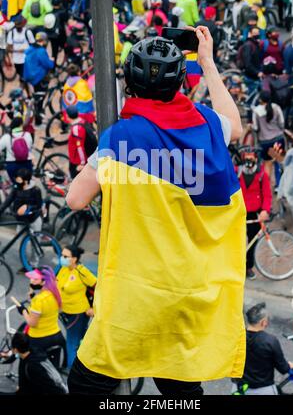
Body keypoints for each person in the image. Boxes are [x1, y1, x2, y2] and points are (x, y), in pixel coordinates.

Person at [66, 28, 246, 396]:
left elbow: (74, 200)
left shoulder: (120, 138)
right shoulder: (210, 128)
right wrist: (208, 64)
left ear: (129, 81)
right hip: (191, 296)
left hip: (137, 300)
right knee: (179, 385)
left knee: (85, 383)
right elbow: (236, 124)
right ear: (181, 80)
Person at [232, 303, 293, 395]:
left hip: (239, 389)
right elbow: (283, 368)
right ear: (263, 322)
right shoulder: (270, 341)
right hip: (264, 390)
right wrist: (289, 365)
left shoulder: (237, 338)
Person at [17, 266, 66, 368]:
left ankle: (22, 384)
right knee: (52, 369)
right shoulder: (56, 293)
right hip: (56, 335)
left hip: (39, 339)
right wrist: (33, 298)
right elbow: (46, 309)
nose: (31, 280)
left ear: (44, 281)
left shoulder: (39, 300)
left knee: (28, 364)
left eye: (35, 279)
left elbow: (32, 323)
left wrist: (23, 311)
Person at [57, 245, 97, 369]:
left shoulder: (81, 271)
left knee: (71, 344)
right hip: (64, 312)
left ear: (74, 259)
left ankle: (71, 374)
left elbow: (99, 288)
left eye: (65, 256)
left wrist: (94, 308)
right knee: (80, 340)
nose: (61, 258)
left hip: (78, 314)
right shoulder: (63, 269)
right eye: (61, 255)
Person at [236, 148, 272, 280]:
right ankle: (235, 266)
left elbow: (267, 195)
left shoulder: (262, 175)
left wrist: (265, 210)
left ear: (256, 158)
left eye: (251, 157)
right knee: (237, 240)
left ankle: (248, 267)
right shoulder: (237, 172)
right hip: (239, 211)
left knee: (252, 241)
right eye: (247, 157)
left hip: (254, 213)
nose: (249, 160)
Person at [252, 91, 285, 181]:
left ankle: (266, 187)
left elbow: (255, 127)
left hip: (265, 142)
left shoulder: (256, 111)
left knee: (268, 164)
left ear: (261, 100)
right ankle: (279, 186)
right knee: (279, 161)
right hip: (278, 139)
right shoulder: (276, 107)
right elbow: (282, 124)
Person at [23, 32, 55, 124]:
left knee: (37, 97)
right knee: (40, 100)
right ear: (44, 41)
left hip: (30, 77)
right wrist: (51, 61)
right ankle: (38, 121)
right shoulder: (41, 51)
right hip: (39, 78)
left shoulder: (29, 49)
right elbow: (49, 65)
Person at [0, 168, 42, 233]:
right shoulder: (16, 189)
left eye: (18, 180)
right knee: (20, 239)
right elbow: (8, 201)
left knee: (35, 240)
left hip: (33, 220)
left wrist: (27, 208)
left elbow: (38, 206)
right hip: (21, 220)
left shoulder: (35, 190)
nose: (16, 181)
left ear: (25, 181)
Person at [66, 104, 97, 179]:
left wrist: (82, 164)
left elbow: (80, 148)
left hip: (77, 161)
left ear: (68, 116)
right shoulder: (82, 121)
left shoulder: (76, 129)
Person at [0, 117, 32, 182]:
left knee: (16, 184)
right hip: (26, 164)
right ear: (21, 125)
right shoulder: (28, 135)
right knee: (26, 184)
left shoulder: (7, 137)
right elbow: (29, 148)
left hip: (12, 165)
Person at [6, 14, 35, 81]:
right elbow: (8, 48)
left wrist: (26, 50)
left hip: (27, 59)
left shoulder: (28, 32)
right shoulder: (11, 33)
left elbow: (33, 46)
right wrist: (17, 51)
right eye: (17, 26)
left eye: (20, 26)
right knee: (21, 75)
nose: (18, 28)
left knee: (25, 78)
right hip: (17, 60)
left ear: (23, 24)